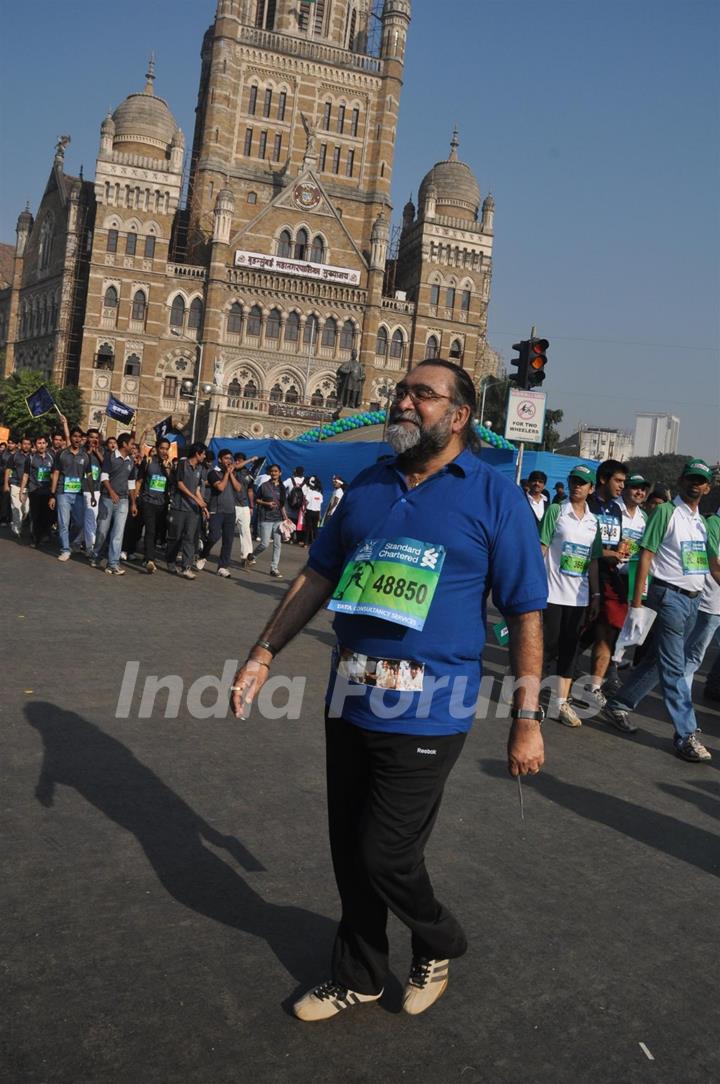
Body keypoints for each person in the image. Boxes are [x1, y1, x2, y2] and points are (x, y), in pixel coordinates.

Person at [231, 359, 547, 1021]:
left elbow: (524, 613)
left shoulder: (495, 497)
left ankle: (439, 939)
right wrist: (264, 652)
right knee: (350, 847)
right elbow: (316, 577)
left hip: (433, 706)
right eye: (401, 391)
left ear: (459, 415)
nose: (403, 402)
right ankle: (361, 972)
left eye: (421, 394)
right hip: (349, 696)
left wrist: (526, 717)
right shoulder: (370, 484)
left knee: (384, 851)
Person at [602, 459, 715, 761]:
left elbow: (705, 565)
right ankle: (686, 734)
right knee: (675, 666)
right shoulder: (666, 513)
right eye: (690, 478)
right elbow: (646, 556)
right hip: (667, 597)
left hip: (693, 599)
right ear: (680, 481)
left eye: (700, 480)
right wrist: (638, 601)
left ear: (707, 487)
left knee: (657, 661)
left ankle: (619, 704)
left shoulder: (700, 522)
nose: (695, 484)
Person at [539, 465, 602, 727]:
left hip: (578, 597)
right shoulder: (556, 511)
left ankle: (560, 703)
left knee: (569, 651)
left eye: (583, 483)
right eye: (574, 481)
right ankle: (527, 695)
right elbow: (541, 547)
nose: (577, 486)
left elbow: (594, 561)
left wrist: (596, 593)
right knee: (545, 648)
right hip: (552, 593)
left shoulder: (593, 521)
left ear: (591, 489)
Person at [585, 460, 630, 706]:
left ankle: (593, 687)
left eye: (624, 481)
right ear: (603, 479)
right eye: (618, 481)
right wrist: (608, 553)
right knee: (572, 633)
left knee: (607, 632)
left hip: (610, 579)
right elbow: (587, 545)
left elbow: (616, 541)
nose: (622, 486)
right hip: (584, 578)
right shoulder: (587, 505)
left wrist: (620, 548)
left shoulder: (616, 510)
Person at [90, 433, 138, 575]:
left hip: (123, 500)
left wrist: (133, 503)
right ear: (124, 444)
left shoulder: (131, 461)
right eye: (131, 444)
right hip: (106, 499)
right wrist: (111, 492)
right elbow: (104, 476)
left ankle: (113, 563)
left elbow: (131, 484)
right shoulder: (110, 457)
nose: (133, 447)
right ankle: (96, 554)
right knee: (102, 531)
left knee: (118, 533)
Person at [683, 506, 720, 692]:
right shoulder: (713, 524)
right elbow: (715, 564)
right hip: (710, 604)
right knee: (693, 655)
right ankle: (680, 697)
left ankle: (713, 686)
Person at [49, 426, 93, 561]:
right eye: (75, 436)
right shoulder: (61, 454)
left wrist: (91, 493)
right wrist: (52, 494)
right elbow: (56, 474)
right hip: (63, 492)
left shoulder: (85, 456)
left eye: (80, 437)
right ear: (71, 438)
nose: (77, 439)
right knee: (63, 522)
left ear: (82, 439)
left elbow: (89, 475)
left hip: (78, 493)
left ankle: (70, 542)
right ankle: (65, 549)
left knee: (79, 523)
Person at [166, 442, 208, 580]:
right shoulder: (183, 464)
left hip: (193, 510)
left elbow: (196, 489)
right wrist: (195, 499)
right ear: (197, 453)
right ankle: (171, 561)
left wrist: (202, 505)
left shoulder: (200, 468)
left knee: (190, 538)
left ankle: (186, 567)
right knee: (176, 537)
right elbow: (180, 484)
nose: (204, 456)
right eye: (203, 454)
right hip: (179, 507)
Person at [204, 448, 242, 578]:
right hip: (216, 510)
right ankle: (204, 553)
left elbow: (238, 488)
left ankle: (223, 567)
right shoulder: (213, 473)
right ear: (220, 460)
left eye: (230, 458)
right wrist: (226, 473)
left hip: (230, 511)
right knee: (214, 536)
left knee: (228, 540)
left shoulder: (234, 474)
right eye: (226, 458)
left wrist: (231, 474)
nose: (229, 461)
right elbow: (220, 487)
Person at [137, 438, 172, 573]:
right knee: (150, 530)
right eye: (162, 448)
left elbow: (172, 483)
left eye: (166, 448)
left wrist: (168, 469)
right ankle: (150, 559)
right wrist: (135, 500)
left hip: (162, 503)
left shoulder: (169, 465)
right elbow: (139, 481)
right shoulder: (148, 462)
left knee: (157, 531)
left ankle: (148, 556)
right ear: (157, 448)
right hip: (148, 501)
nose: (164, 451)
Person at [253, 463, 289, 578]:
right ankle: (252, 556)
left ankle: (274, 568)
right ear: (270, 473)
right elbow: (256, 499)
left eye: (276, 471)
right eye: (272, 471)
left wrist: (285, 517)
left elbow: (282, 504)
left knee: (278, 544)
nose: (274, 473)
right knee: (264, 544)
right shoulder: (264, 486)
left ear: (280, 473)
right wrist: (266, 503)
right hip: (266, 518)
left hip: (278, 519)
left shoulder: (282, 487)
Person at [20, 435, 55, 547]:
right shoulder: (30, 459)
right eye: (39, 443)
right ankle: (35, 539)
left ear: (47, 444)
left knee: (47, 516)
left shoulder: (51, 457)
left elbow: (54, 475)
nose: (41, 445)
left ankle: (45, 534)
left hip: (47, 491)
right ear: (35, 445)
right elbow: (25, 475)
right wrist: (22, 491)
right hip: (34, 491)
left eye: (43, 443)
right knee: (35, 516)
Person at [4, 434, 32, 537]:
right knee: (16, 508)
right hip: (15, 485)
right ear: (20, 445)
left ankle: (17, 524)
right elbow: (8, 470)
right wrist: (6, 484)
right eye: (24, 444)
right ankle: (16, 530)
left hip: (28, 487)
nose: (26, 446)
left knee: (26, 509)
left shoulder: (33, 456)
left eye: (28, 444)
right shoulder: (14, 456)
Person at [233, 451, 257, 569]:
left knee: (246, 531)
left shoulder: (248, 473)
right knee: (222, 531)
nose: (238, 461)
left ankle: (247, 556)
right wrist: (250, 460)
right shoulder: (232, 469)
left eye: (241, 459)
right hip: (232, 504)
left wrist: (251, 506)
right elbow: (236, 466)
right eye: (237, 459)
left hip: (244, 505)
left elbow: (250, 490)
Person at [284, 465, 306, 542]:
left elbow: (282, 486)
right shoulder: (305, 481)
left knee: (289, 520)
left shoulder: (290, 480)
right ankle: (298, 539)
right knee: (299, 521)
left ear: (295, 472)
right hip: (300, 506)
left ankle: (289, 537)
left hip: (289, 504)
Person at [303, 475, 324, 546]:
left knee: (308, 528)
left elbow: (306, 502)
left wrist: (304, 509)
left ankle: (306, 543)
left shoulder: (310, 492)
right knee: (315, 528)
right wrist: (320, 514)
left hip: (309, 512)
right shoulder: (320, 495)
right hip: (317, 513)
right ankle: (315, 543)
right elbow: (319, 505)